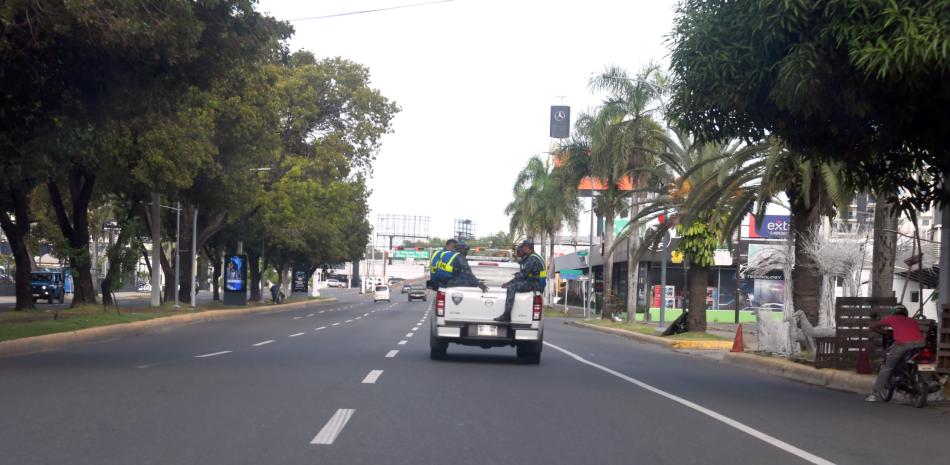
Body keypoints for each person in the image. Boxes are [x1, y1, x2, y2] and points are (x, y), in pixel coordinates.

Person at [865, 304, 925, 402]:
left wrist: (886, 332)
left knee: (887, 367)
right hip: (920, 344)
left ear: (894, 312)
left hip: (902, 345)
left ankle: (874, 394)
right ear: (905, 313)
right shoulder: (912, 320)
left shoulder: (892, 318)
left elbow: (872, 326)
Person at [494, 240, 546, 322]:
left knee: (512, 287)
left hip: (535, 284)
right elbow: (524, 263)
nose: (521, 249)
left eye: (522, 247)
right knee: (515, 283)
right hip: (538, 283)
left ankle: (507, 315)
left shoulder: (532, 259)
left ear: (526, 247)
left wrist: (508, 283)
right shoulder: (536, 257)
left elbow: (522, 275)